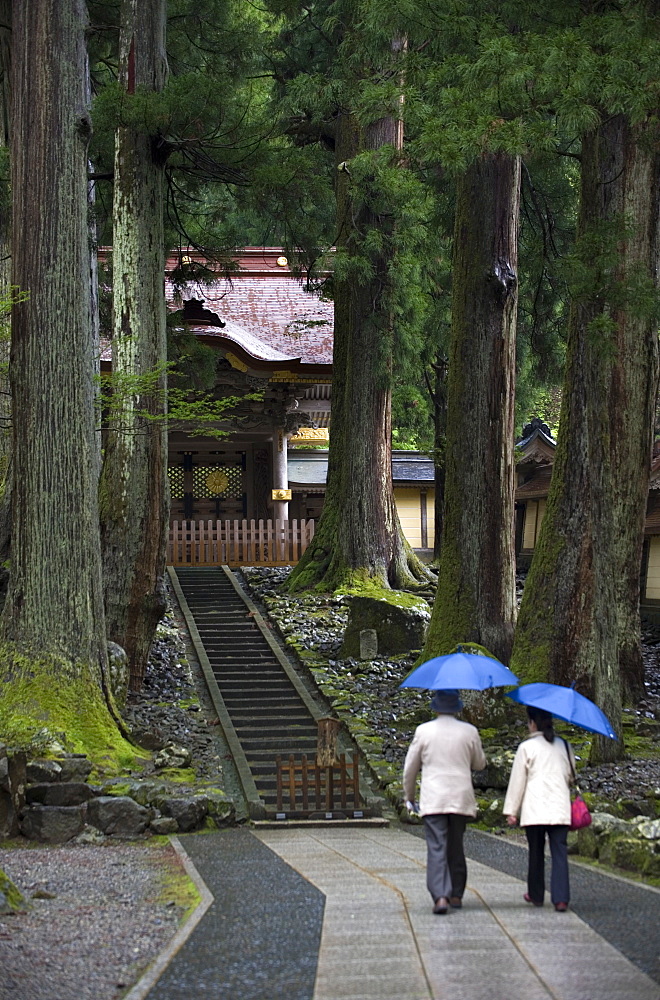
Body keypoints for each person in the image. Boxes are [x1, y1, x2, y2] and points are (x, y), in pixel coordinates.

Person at [403, 689, 486, 915]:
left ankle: (440, 895)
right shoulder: (469, 731)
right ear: (457, 707)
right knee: (456, 844)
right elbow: (480, 764)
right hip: (460, 796)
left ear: (436, 706)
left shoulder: (424, 731)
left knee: (437, 846)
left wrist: (409, 797)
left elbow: (410, 769)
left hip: (434, 798)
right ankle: (457, 893)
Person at [503, 706, 574, 911]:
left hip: (534, 809)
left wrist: (511, 811)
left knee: (536, 852)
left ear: (533, 723)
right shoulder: (565, 746)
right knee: (559, 852)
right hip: (559, 807)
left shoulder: (527, 747)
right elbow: (570, 776)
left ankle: (536, 894)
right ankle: (561, 898)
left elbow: (518, 782)